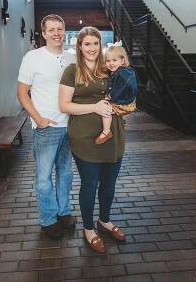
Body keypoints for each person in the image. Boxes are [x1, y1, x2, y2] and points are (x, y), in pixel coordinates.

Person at [59, 27, 126, 254]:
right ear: (79, 46)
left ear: (100, 45)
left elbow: (125, 91)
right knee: (90, 184)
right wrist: (94, 107)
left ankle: (104, 221)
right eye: (87, 44)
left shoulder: (109, 68)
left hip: (113, 135)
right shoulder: (72, 71)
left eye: (95, 43)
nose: (92, 48)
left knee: (109, 183)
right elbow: (64, 105)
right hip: (85, 137)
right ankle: (89, 229)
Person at [17, 14, 77, 240]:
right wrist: (38, 118)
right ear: (43, 34)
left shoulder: (72, 58)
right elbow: (21, 93)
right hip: (46, 127)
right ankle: (49, 219)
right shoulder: (32, 57)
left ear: (64, 30)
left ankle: (64, 212)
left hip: (70, 126)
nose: (56, 33)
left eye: (59, 28)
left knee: (66, 173)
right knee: (43, 178)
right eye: (51, 29)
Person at [95, 42, 137, 144]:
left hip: (124, 102)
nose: (111, 63)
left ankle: (106, 131)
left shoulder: (121, 73)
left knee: (106, 108)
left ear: (122, 60)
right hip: (128, 100)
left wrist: (109, 97)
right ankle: (121, 121)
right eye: (108, 61)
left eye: (114, 60)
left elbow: (120, 88)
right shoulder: (123, 71)